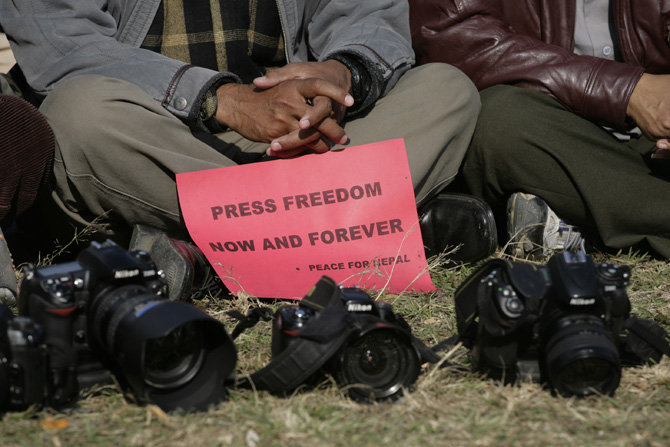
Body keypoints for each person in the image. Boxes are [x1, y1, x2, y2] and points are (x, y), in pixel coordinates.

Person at [0, 0, 491, 299]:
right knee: (78, 112)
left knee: (446, 90)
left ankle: (215, 252)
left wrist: (344, 76)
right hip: (162, 138)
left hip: (295, 141)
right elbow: (65, 46)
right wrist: (221, 100)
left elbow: (364, 15)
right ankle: (354, 230)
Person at [409, 0, 670, 259]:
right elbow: (459, 41)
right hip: (543, 130)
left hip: (651, 139)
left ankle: (572, 227)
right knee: (497, 120)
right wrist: (629, 92)